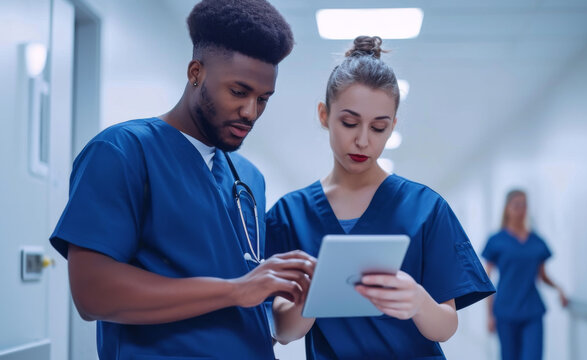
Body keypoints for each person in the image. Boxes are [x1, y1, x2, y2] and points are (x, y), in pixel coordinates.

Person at [48, 1, 316, 358]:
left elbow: (256, 316)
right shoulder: (122, 151)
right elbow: (92, 293)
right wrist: (234, 290)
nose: (250, 112)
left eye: (263, 99)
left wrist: (301, 296)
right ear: (196, 73)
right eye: (238, 92)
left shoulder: (250, 179)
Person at [265, 36, 495, 359]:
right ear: (323, 115)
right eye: (349, 122)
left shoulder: (426, 209)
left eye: (378, 128)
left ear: (392, 126)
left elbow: (446, 326)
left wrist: (417, 300)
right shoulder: (290, 215)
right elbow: (282, 332)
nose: (362, 140)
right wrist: (310, 301)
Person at [482, 189, 568, 360]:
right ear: (507, 208)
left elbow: (542, 276)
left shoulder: (537, 241)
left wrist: (559, 288)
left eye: (524, 205)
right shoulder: (496, 240)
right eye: (517, 205)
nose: (521, 210)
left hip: (532, 310)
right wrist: (489, 315)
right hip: (505, 311)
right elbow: (486, 280)